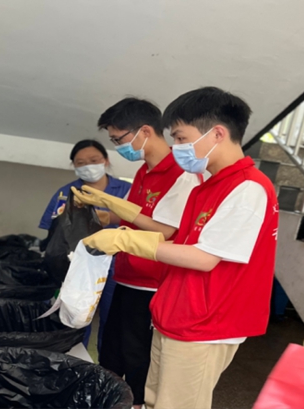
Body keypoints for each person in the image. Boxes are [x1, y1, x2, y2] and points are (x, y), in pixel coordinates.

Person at [81, 87, 279, 409]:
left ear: (217, 134)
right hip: (176, 313)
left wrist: (124, 239)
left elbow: (204, 258)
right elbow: (180, 245)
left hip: (205, 323)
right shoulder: (210, 186)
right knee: (155, 400)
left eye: (181, 138)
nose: (176, 147)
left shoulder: (248, 188)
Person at [72, 97, 202, 408]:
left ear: (144, 131)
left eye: (119, 139)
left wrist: (114, 211)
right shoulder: (144, 170)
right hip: (127, 277)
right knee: (111, 355)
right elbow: (133, 217)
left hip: (152, 284)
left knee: (138, 359)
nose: (118, 147)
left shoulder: (181, 174)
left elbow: (165, 231)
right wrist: (100, 213)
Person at [38, 139, 130, 351]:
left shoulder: (126, 190)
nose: (88, 166)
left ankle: (105, 365)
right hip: (78, 268)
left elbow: (142, 222)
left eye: (94, 160)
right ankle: (75, 360)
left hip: (118, 267)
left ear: (106, 160)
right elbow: (53, 233)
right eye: (81, 163)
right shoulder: (65, 193)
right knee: (76, 319)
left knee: (113, 322)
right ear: (74, 165)